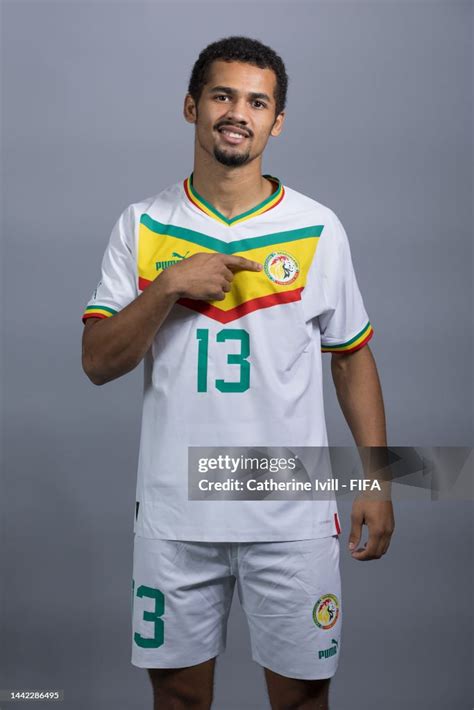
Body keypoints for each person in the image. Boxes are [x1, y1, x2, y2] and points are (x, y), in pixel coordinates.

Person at [81, 35, 394, 710]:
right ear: (192, 106)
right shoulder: (142, 226)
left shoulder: (316, 228)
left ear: (276, 121)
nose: (238, 112)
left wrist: (376, 478)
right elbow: (98, 362)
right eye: (223, 95)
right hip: (175, 515)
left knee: (303, 702)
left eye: (258, 101)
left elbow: (352, 359)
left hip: (292, 515)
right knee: (180, 703)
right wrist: (166, 288)